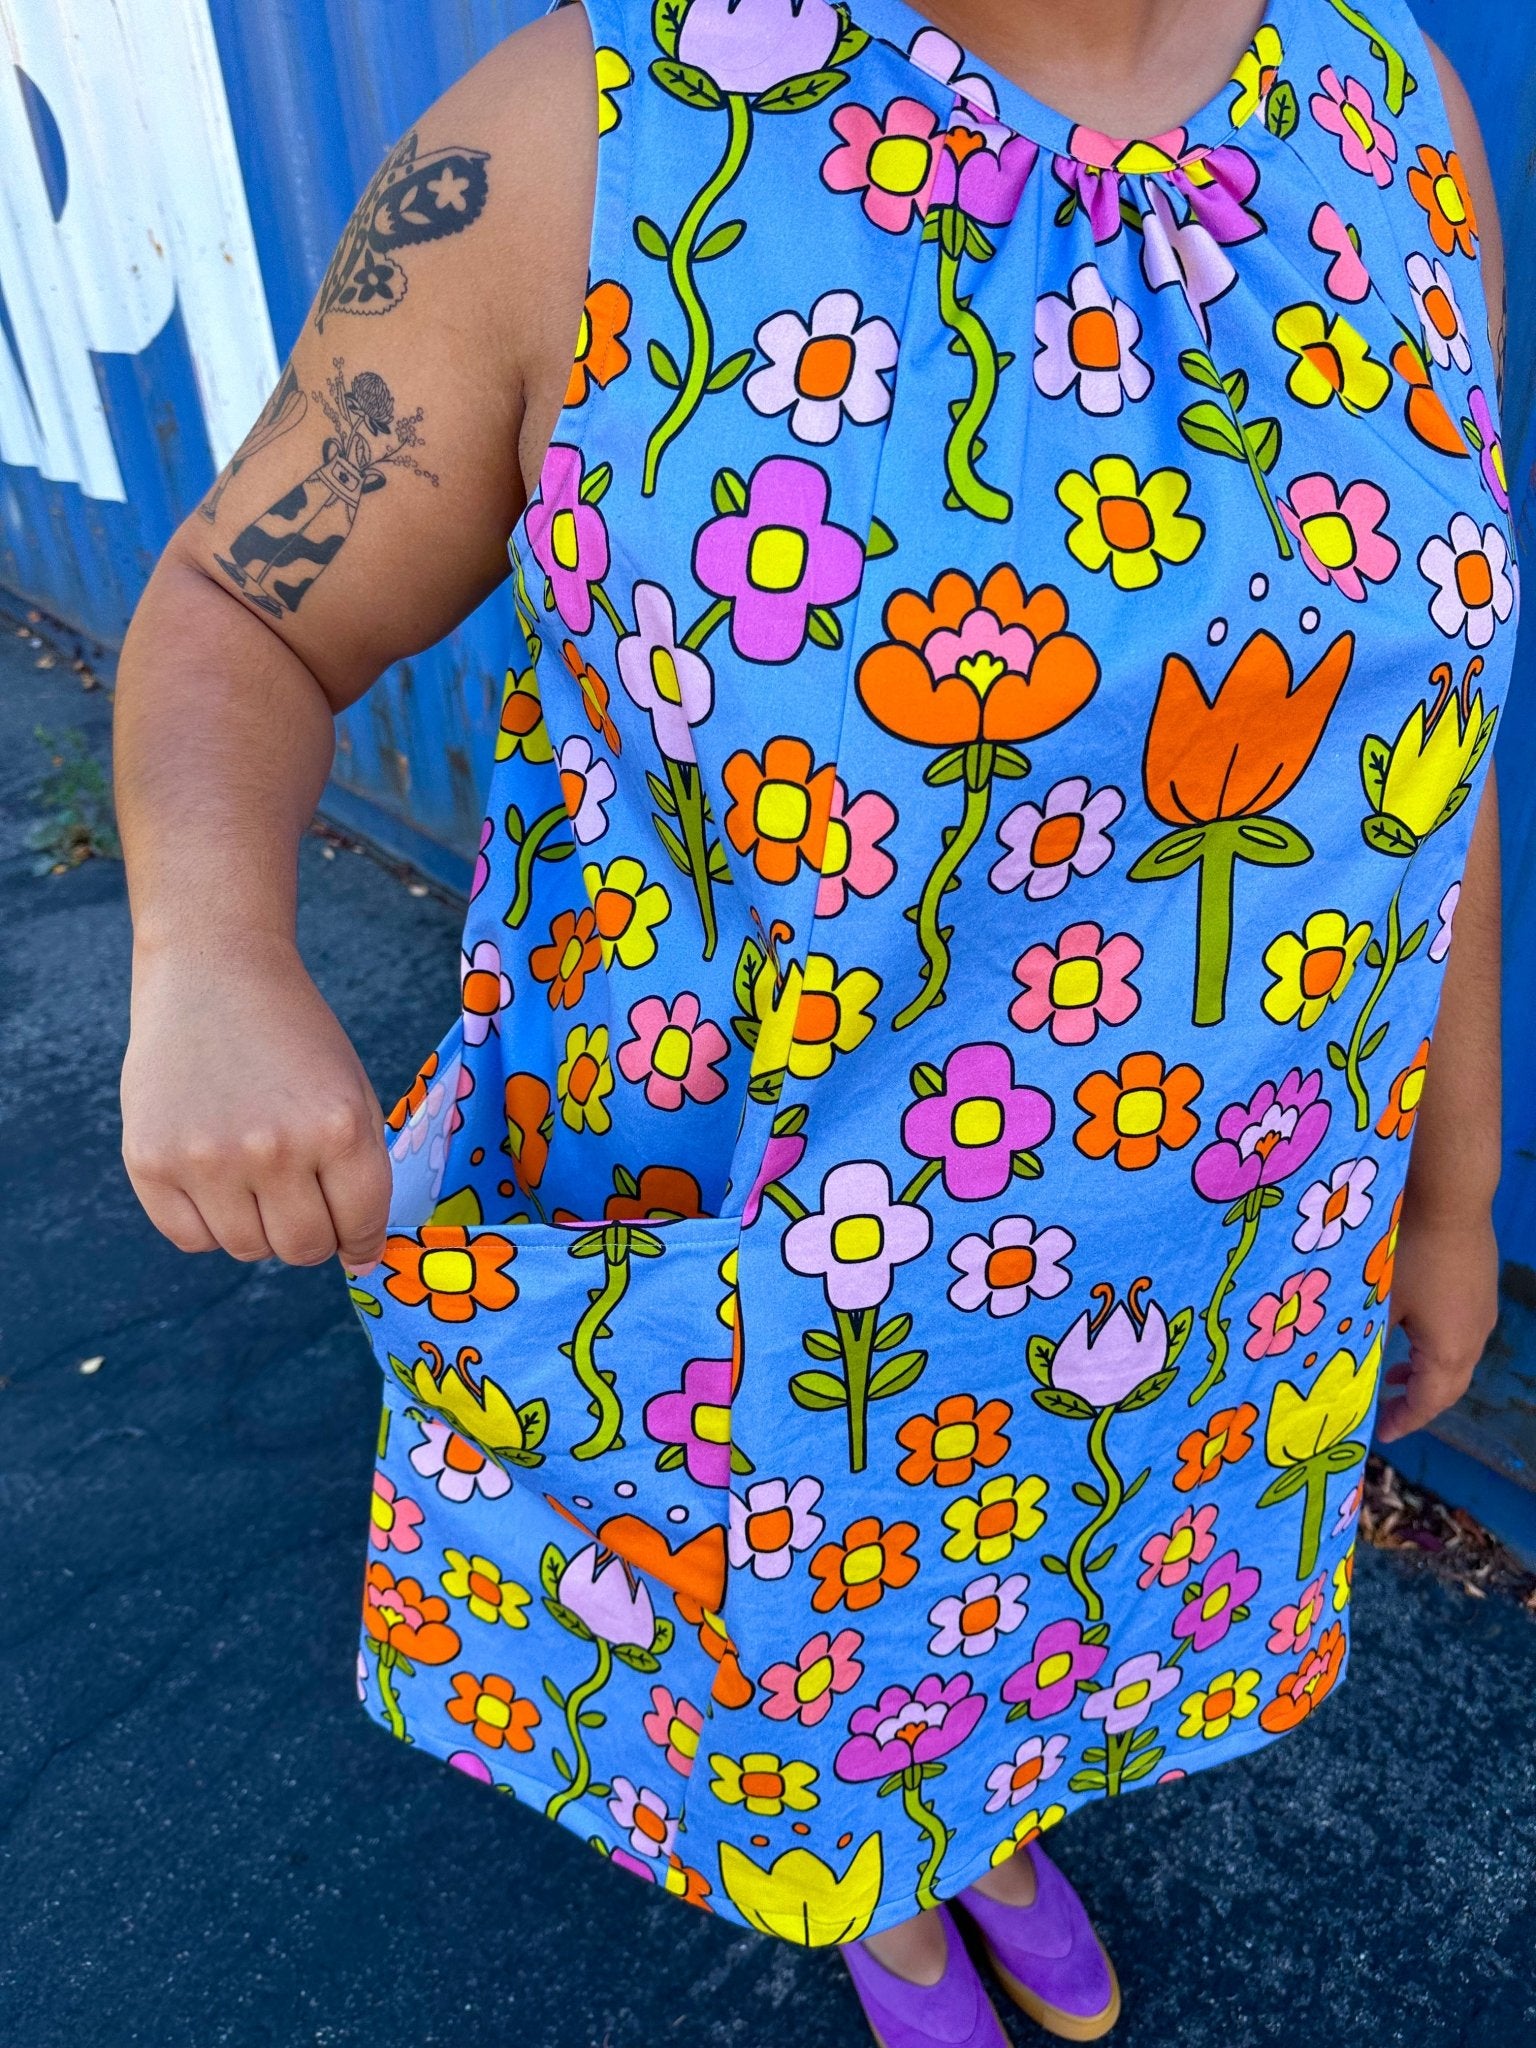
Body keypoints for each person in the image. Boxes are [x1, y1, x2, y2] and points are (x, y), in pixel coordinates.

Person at [116, 2, 1513, 2040]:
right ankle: (889, 1882)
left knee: (1041, 1637)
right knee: (828, 1674)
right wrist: (210, 956)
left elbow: (1425, 746)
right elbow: (246, 604)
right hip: (796, 1288)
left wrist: (1449, 1190)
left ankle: (983, 1816)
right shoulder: (593, 145)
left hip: (1198, 1271)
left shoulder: (1391, 107)